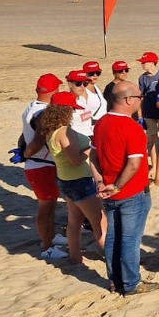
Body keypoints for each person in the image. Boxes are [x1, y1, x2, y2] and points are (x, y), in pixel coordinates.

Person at [94, 81, 159, 295]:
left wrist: (100, 181)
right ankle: (131, 282)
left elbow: (93, 156)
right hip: (130, 191)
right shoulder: (131, 127)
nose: (141, 101)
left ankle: (115, 280)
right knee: (130, 239)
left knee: (114, 236)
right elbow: (133, 164)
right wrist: (116, 186)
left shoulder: (102, 123)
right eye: (139, 97)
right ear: (128, 100)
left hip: (110, 190)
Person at [25, 92, 106, 265]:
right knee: (100, 221)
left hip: (65, 179)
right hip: (79, 180)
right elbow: (76, 160)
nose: (74, 112)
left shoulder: (49, 130)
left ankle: (75, 257)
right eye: (72, 109)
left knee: (74, 221)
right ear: (65, 110)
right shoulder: (64, 132)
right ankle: (109, 256)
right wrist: (91, 148)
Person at [20, 73, 68, 260]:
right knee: (45, 207)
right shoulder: (44, 113)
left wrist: (24, 150)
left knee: (51, 204)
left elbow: (24, 135)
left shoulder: (31, 108)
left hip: (40, 164)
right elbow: (38, 140)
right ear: (54, 90)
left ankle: (52, 236)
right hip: (41, 165)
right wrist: (27, 153)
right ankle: (47, 247)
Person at [136, 52, 159, 164]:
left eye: (144, 62)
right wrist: (140, 114)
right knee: (152, 140)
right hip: (149, 112)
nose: (142, 64)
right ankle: (155, 165)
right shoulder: (142, 78)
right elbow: (141, 97)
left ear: (152, 63)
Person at [66, 70, 95, 138]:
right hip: (77, 140)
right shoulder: (66, 103)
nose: (82, 87)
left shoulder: (82, 99)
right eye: (78, 83)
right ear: (70, 84)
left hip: (90, 137)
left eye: (85, 83)